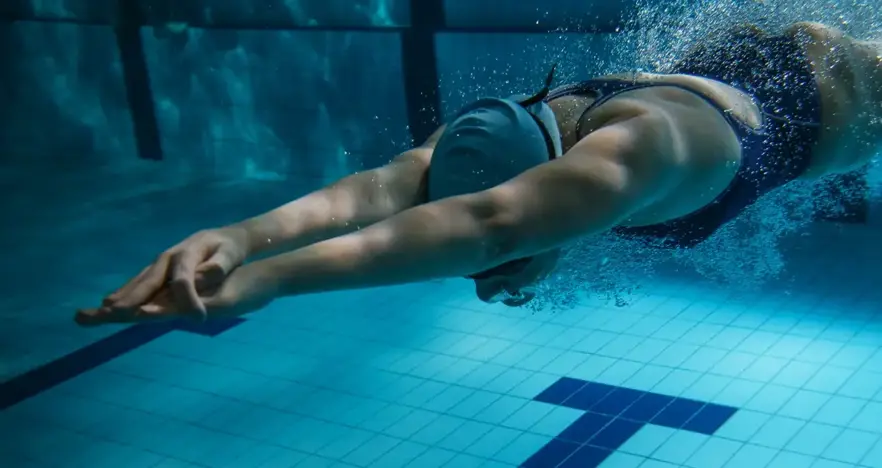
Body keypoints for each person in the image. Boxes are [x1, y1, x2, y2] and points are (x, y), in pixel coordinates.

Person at [76, 22, 882, 325]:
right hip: (721, 74)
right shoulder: (493, 138)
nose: (483, 278)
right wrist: (236, 236)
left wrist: (263, 283)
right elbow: (386, 187)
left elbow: (491, 223)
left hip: (835, 96)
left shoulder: (634, 160)